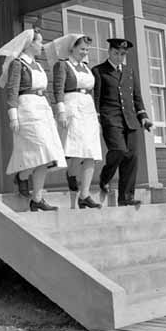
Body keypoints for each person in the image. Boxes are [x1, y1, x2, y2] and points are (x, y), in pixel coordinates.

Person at [0, 27, 67, 211]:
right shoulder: (18, 63)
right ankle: (22, 176)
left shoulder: (38, 65)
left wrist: (52, 113)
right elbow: (12, 90)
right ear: (29, 44)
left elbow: (45, 90)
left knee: (47, 156)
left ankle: (37, 199)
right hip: (27, 108)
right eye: (39, 42)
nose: (41, 45)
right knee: (40, 150)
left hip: (42, 109)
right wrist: (13, 115)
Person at [92, 38, 154, 207]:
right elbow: (96, 98)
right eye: (116, 53)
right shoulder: (99, 71)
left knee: (131, 157)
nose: (119, 57)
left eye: (122, 54)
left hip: (130, 119)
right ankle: (105, 177)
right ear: (109, 52)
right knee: (118, 150)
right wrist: (96, 119)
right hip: (110, 118)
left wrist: (144, 117)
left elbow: (136, 97)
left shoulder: (129, 71)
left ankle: (126, 197)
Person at [44, 33, 102, 209]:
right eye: (82, 49)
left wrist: (97, 116)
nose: (85, 52)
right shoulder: (62, 65)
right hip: (71, 106)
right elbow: (58, 89)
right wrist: (60, 111)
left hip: (88, 108)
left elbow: (92, 91)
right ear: (72, 48)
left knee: (91, 151)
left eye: (87, 49)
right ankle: (71, 174)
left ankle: (84, 194)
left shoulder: (86, 67)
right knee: (76, 149)